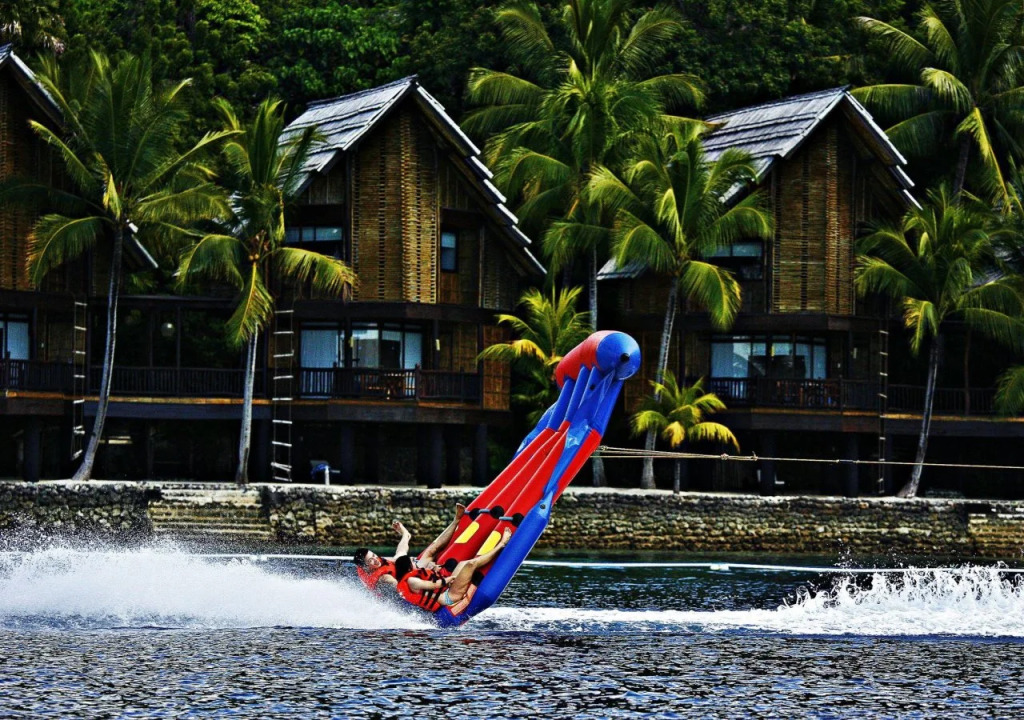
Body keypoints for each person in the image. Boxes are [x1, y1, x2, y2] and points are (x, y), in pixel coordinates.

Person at [393, 527, 512, 615]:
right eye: (413, 562)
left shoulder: (411, 576)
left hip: (446, 590)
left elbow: (402, 552)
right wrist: (449, 579)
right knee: (470, 565)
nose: (416, 562)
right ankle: (501, 544)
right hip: (449, 597)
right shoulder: (412, 581)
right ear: (409, 568)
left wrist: (433, 569)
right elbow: (434, 585)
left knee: (462, 564)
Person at [352, 504, 466, 592]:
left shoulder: (373, 563)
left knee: (405, 554)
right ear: (365, 566)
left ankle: (406, 535)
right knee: (429, 553)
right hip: (411, 579)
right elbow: (403, 588)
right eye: (370, 560)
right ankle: (406, 536)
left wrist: (410, 562)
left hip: (405, 568)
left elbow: (393, 559)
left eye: (374, 555)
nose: (375, 559)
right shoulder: (384, 578)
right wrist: (427, 572)